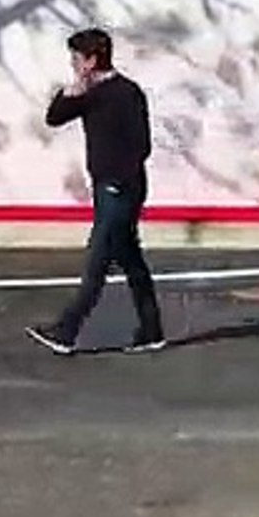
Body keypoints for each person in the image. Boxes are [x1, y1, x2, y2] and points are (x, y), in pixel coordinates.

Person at [26, 28, 164, 355]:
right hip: (104, 187)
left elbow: (141, 145)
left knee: (98, 259)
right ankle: (151, 330)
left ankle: (67, 331)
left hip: (122, 188)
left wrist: (118, 179)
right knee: (130, 259)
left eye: (76, 58)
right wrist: (71, 92)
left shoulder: (126, 93)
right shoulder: (89, 93)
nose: (73, 64)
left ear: (91, 60)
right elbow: (54, 118)